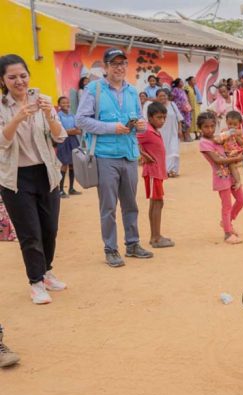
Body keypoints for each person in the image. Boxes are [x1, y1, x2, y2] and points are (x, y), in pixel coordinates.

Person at [76, 47, 154, 268]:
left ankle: (132, 244)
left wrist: (140, 125)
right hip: (105, 156)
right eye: (114, 63)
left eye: (123, 63)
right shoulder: (94, 89)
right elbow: (81, 120)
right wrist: (111, 128)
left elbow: (140, 120)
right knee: (108, 206)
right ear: (106, 67)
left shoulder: (132, 91)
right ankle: (111, 249)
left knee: (131, 204)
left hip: (129, 155)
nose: (119, 67)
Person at [0, 54, 68, 303]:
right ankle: (36, 282)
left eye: (23, 75)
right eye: (12, 77)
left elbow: (60, 137)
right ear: (3, 80)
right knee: (30, 233)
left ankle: (47, 271)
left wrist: (50, 114)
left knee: (50, 228)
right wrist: (18, 117)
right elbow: (1, 142)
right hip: (16, 178)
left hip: (46, 173)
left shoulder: (42, 101)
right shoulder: (2, 108)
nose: (19, 81)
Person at [197, 111, 243, 244]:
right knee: (227, 206)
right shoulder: (204, 143)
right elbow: (217, 160)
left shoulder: (217, 137)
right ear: (200, 128)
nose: (210, 129)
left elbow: (235, 141)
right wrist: (237, 158)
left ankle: (227, 222)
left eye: (212, 126)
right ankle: (228, 233)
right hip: (221, 177)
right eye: (206, 127)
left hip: (230, 174)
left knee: (241, 200)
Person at [137, 102, 174, 249]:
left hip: (157, 172)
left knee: (157, 203)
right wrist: (142, 154)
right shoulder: (146, 130)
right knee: (157, 203)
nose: (162, 121)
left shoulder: (153, 130)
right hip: (152, 172)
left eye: (164, 117)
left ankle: (155, 236)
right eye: (159, 117)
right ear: (150, 117)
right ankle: (156, 237)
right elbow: (131, 139)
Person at [144, 89, 183, 178]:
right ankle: (165, 170)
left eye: (164, 95)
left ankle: (173, 170)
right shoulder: (153, 107)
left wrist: (180, 130)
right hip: (160, 132)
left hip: (173, 132)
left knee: (174, 150)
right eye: (160, 96)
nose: (163, 97)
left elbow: (179, 118)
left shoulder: (172, 104)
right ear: (157, 97)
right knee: (164, 151)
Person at [55, 96, 81, 198]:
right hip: (63, 141)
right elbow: (60, 131)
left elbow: (79, 130)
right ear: (59, 105)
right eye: (63, 103)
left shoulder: (72, 115)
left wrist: (68, 131)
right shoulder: (58, 116)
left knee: (73, 164)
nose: (66, 104)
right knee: (64, 164)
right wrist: (71, 131)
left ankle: (71, 188)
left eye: (67, 102)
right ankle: (60, 190)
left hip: (73, 141)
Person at [214, 110, 243, 191]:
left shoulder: (239, 132)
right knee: (228, 167)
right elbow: (221, 141)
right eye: (230, 124)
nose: (232, 126)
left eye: (235, 124)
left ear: (239, 124)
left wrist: (236, 136)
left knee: (232, 165)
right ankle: (232, 180)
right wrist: (220, 139)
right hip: (226, 153)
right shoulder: (224, 131)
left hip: (235, 152)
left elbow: (242, 143)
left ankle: (238, 181)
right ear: (226, 122)